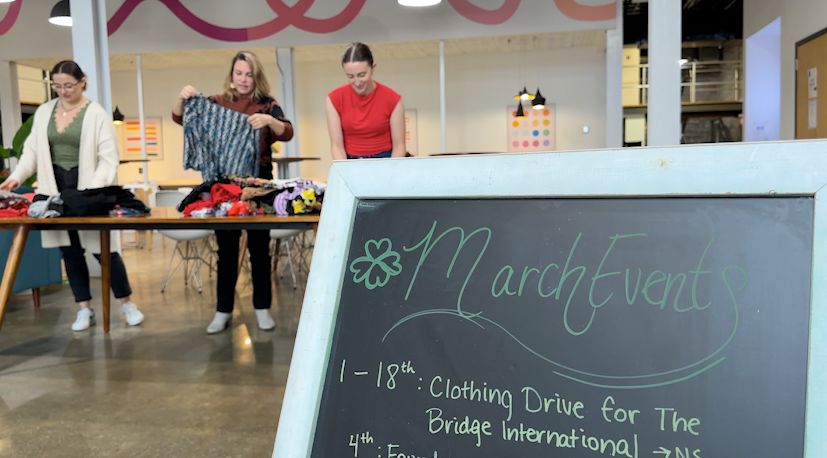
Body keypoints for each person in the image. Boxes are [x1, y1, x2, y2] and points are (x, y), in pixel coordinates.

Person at [0, 60, 144, 332]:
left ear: (82, 82)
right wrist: (16, 177)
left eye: (69, 85)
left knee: (104, 249)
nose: (63, 91)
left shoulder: (96, 114)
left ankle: (127, 303)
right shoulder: (44, 112)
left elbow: (108, 158)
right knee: (69, 250)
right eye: (57, 86)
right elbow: (31, 152)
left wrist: (95, 189)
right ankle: (84, 308)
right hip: (54, 188)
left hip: (87, 187)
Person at [172, 50, 294, 334]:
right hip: (224, 185)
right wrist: (182, 97)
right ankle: (223, 311)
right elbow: (181, 117)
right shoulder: (216, 102)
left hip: (258, 183)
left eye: (249, 74)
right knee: (226, 250)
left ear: (256, 77)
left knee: (259, 249)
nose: (243, 79)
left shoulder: (267, 104)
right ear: (232, 74)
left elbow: (287, 132)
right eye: (239, 73)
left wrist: (269, 122)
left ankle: (262, 309)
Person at [326, 42, 406, 159]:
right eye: (350, 76)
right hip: (350, 160)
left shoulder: (393, 99)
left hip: (385, 159)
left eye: (362, 75)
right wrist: (344, 168)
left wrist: (391, 168)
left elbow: (399, 146)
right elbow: (337, 146)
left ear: (373, 68)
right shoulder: (334, 99)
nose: (357, 82)